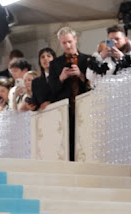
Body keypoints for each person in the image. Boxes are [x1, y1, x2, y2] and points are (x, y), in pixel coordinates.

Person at [48, 26, 90, 160]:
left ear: (75, 40)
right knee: (67, 143)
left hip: (84, 105)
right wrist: (61, 78)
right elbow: (51, 90)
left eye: (69, 41)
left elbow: (94, 84)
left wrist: (81, 75)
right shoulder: (55, 64)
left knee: (85, 139)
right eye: (63, 43)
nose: (67, 45)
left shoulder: (87, 60)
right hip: (64, 108)